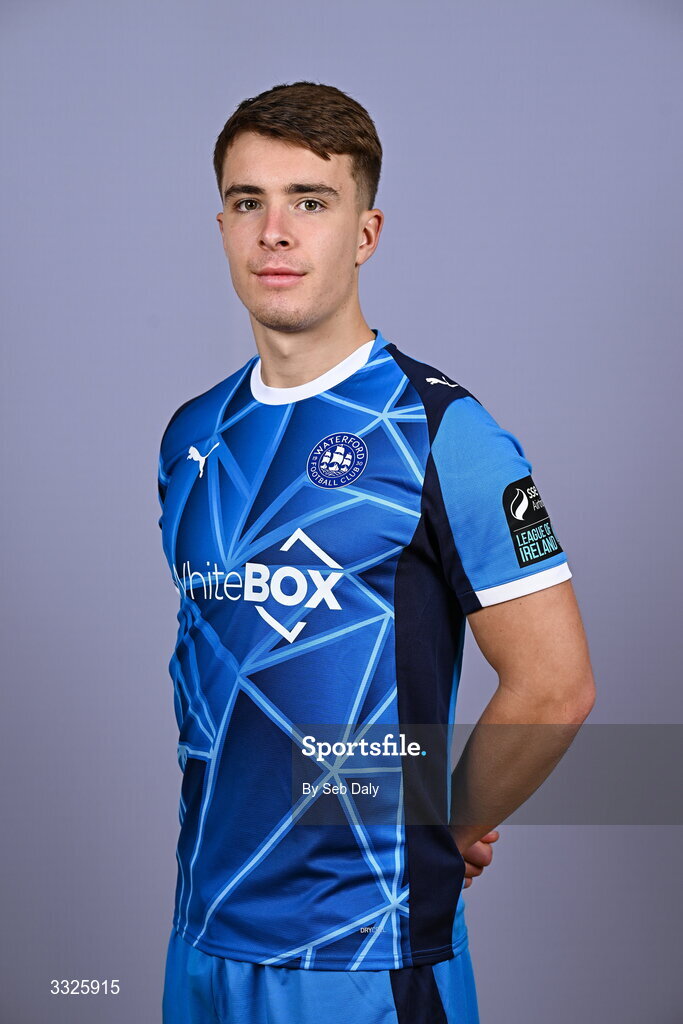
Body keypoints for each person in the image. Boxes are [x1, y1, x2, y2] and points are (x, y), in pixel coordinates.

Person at [157, 81, 596, 1024]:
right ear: (223, 226)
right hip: (200, 941)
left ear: (365, 233)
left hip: (361, 953)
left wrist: (439, 823)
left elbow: (555, 685)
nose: (275, 232)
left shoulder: (444, 432)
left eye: (310, 202)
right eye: (247, 202)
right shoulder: (191, 436)